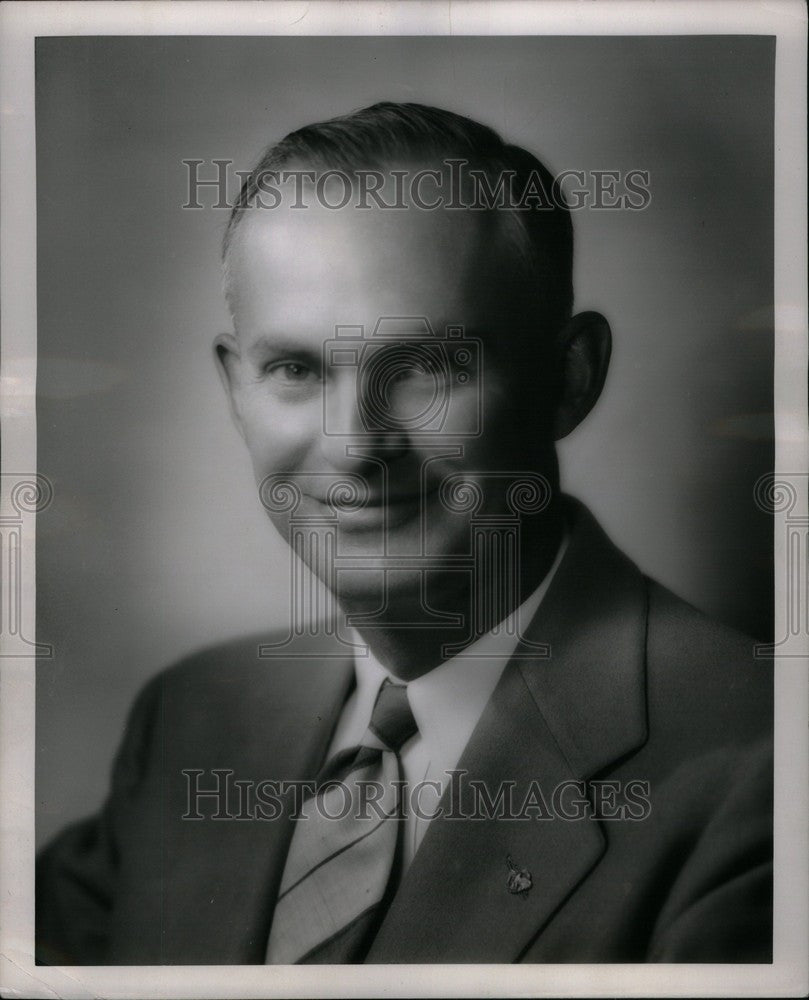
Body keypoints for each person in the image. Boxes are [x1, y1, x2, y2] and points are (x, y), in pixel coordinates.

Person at [36, 102, 772, 965]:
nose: (355, 446)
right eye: (296, 369)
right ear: (237, 389)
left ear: (568, 378)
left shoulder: (760, 773)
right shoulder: (193, 718)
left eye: (425, 367)